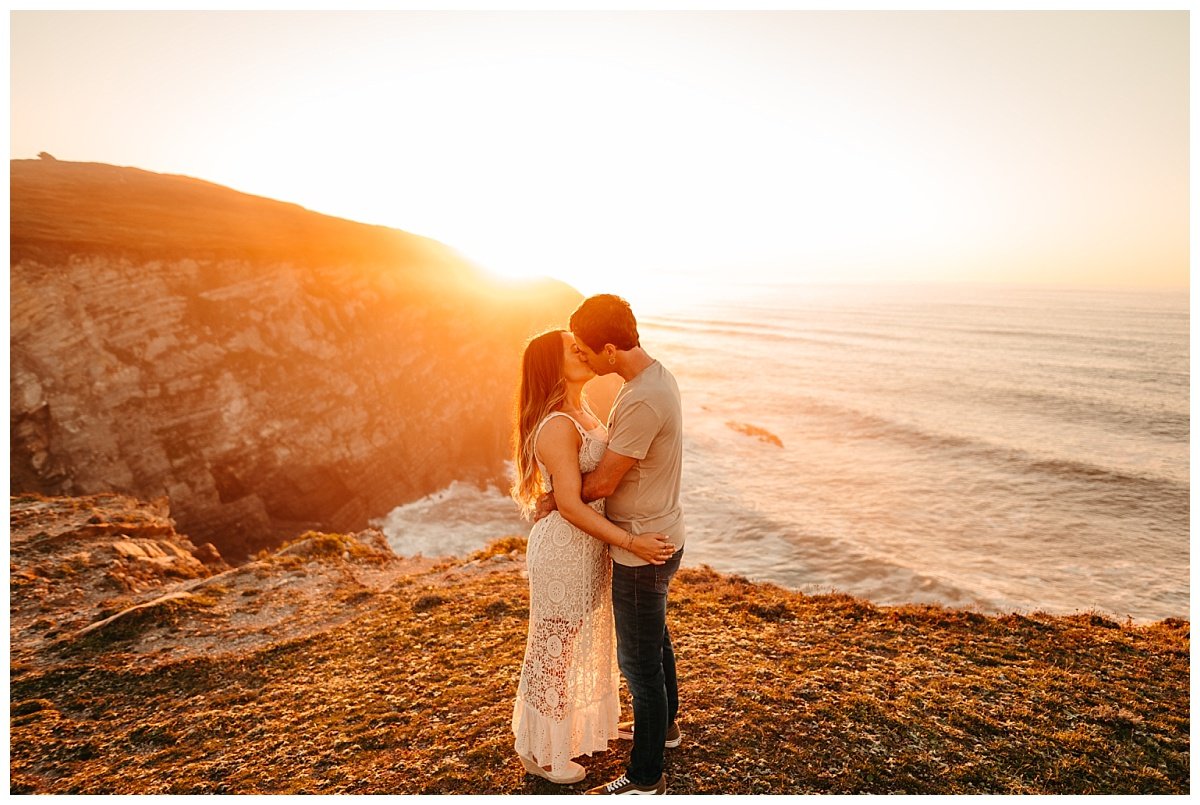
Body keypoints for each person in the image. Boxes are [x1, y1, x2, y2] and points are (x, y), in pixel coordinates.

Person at [510, 329, 677, 786]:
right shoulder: (558, 424)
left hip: (587, 545)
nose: (582, 351)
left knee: (569, 642)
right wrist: (629, 541)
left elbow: (585, 485)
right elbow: (569, 504)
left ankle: (563, 736)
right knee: (554, 649)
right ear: (553, 365)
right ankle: (540, 752)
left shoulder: (582, 411)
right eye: (572, 349)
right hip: (564, 550)